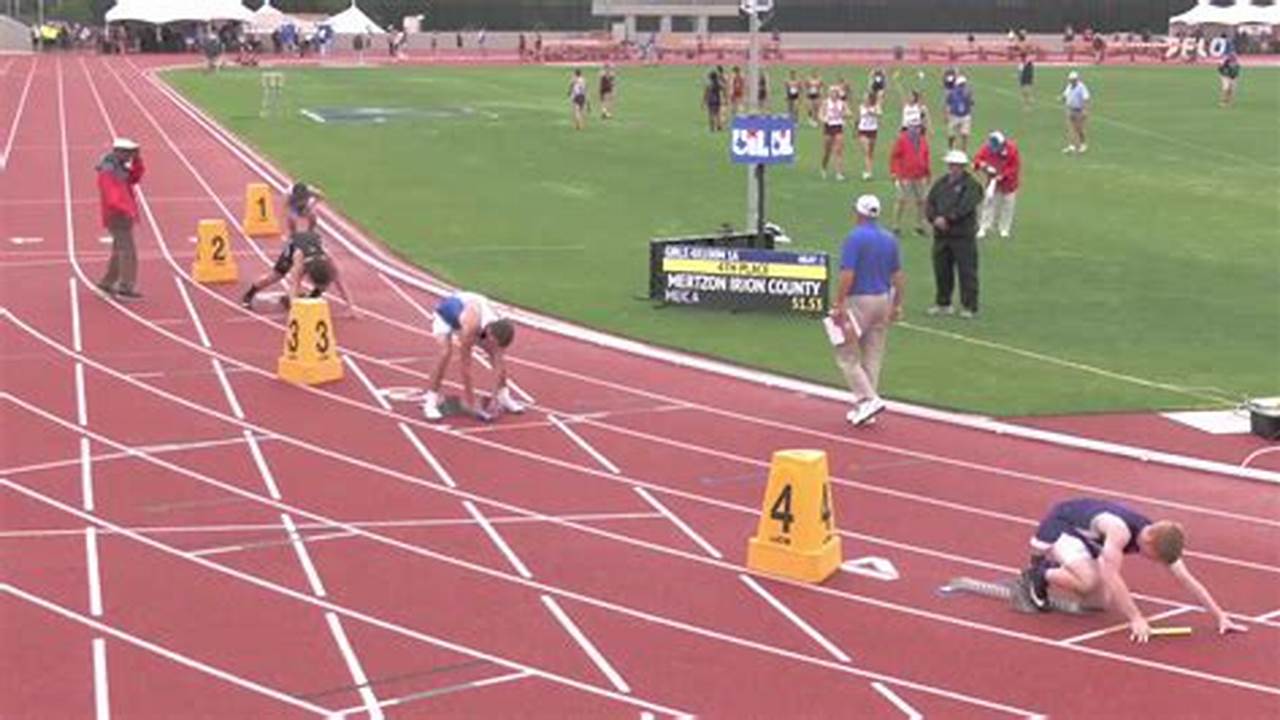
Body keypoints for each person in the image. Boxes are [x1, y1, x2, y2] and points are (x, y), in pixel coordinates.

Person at [1017, 498, 1250, 643]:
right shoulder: (1119, 532)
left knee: (1097, 603)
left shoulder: (1156, 536)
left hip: (1090, 540)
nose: (1156, 563)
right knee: (1089, 581)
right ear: (1148, 542)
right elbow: (1111, 574)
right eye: (1155, 559)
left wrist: (1220, 616)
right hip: (1063, 526)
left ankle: (1069, 569)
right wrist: (1136, 618)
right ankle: (1039, 573)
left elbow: (1185, 578)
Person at [830, 194, 905, 427]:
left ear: (859, 213)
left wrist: (839, 302)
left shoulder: (855, 238)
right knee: (873, 353)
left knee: (846, 353)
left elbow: (847, 273)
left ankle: (868, 399)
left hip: (859, 299)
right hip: (883, 298)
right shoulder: (889, 239)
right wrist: (898, 303)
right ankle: (866, 408)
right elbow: (898, 275)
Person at [422, 292, 525, 422]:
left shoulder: (500, 326)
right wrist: (471, 402)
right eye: (492, 342)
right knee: (445, 352)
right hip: (446, 315)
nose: (492, 346)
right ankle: (430, 401)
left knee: (494, 354)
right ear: (489, 333)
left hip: (473, 314)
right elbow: (465, 367)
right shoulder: (471, 326)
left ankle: (503, 396)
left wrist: (494, 398)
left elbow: (498, 362)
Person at [925, 150, 983, 318]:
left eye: (955, 166)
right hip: (941, 236)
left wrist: (948, 219)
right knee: (942, 270)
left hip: (962, 236)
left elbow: (966, 206)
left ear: (962, 167)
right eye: (950, 165)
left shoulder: (971, 185)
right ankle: (943, 303)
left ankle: (969, 306)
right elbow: (930, 202)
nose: (952, 169)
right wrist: (934, 218)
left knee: (967, 272)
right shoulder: (941, 183)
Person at [96, 138, 146, 300]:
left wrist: (138, 160)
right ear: (119, 151)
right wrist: (126, 210)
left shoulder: (119, 167)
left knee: (119, 251)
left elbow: (135, 178)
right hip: (117, 216)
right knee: (128, 252)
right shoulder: (108, 171)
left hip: (122, 215)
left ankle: (107, 282)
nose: (130, 155)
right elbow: (111, 197)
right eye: (129, 152)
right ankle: (125, 287)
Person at [972, 131, 1021, 239]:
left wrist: (1003, 175)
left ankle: (1004, 229)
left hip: (1009, 183)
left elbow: (1014, 167)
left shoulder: (1012, 150)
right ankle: (984, 227)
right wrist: (983, 165)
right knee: (988, 203)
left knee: (1007, 205)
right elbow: (977, 160)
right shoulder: (986, 148)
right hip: (992, 182)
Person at [889, 123, 931, 236]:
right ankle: (895, 225)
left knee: (922, 201)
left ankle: (919, 225)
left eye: (918, 127)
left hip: (919, 175)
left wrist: (928, 173)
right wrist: (895, 173)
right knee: (901, 200)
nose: (917, 130)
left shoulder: (923, 141)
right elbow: (895, 156)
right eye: (915, 127)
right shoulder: (902, 140)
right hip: (904, 175)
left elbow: (926, 157)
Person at [819, 86, 849, 181]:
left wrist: (845, 115)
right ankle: (824, 167)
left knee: (838, 150)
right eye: (832, 93)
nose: (834, 95)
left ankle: (839, 173)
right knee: (827, 151)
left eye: (835, 93)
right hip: (828, 127)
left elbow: (848, 112)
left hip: (838, 127)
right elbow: (820, 114)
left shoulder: (842, 103)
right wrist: (824, 119)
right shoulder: (826, 103)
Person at [855, 90, 882, 181]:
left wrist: (872, 112)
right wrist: (855, 130)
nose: (865, 99)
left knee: (870, 152)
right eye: (864, 97)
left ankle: (868, 170)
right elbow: (858, 119)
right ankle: (868, 172)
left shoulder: (875, 107)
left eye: (866, 97)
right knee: (866, 151)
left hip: (873, 130)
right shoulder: (861, 107)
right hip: (863, 130)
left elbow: (879, 114)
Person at [1061, 70, 1090, 153]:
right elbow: (1065, 95)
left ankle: (1083, 144)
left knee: (1079, 128)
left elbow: (1086, 99)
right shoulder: (1069, 86)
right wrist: (1062, 98)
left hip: (1079, 110)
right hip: (1070, 109)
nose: (1071, 81)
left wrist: (1085, 110)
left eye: (1073, 80)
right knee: (1071, 128)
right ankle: (1072, 145)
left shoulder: (1081, 87)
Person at [944, 76, 974, 151]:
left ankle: (963, 151)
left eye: (963, 85)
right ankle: (950, 149)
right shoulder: (952, 93)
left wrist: (968, 99)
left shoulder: (967, 93)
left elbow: (971, 103)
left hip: (965, 115)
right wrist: (947, 115)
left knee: (964, 134)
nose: (962, 86)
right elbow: (948, 104)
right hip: (954, 115)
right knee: (951, 134)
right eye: (961, 85)